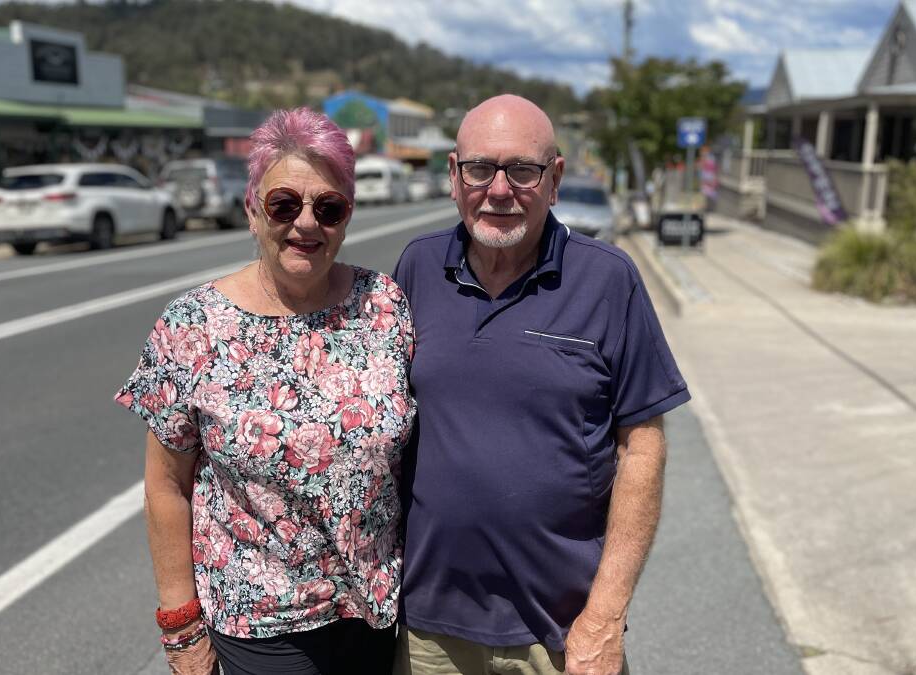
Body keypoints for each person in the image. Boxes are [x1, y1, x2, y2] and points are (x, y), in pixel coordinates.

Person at [392, 95, 691, 675]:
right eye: (480, 168)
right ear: (454, 175)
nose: (498, 190)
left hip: (562, 633)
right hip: (430, 630)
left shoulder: (607, 279)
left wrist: (605, 616)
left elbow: (642, 447)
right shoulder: (417, 269)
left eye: (522, 170)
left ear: (554, 179)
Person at [116, 107, 416, 675]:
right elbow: (166, 486)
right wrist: (181, 631)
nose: (307, 224)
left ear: (347, 218)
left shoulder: (384, 307)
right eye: (285, 205)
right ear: (253, 211)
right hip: (262, 626)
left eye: (329, 208)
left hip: (374, 613)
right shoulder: (193, 327)